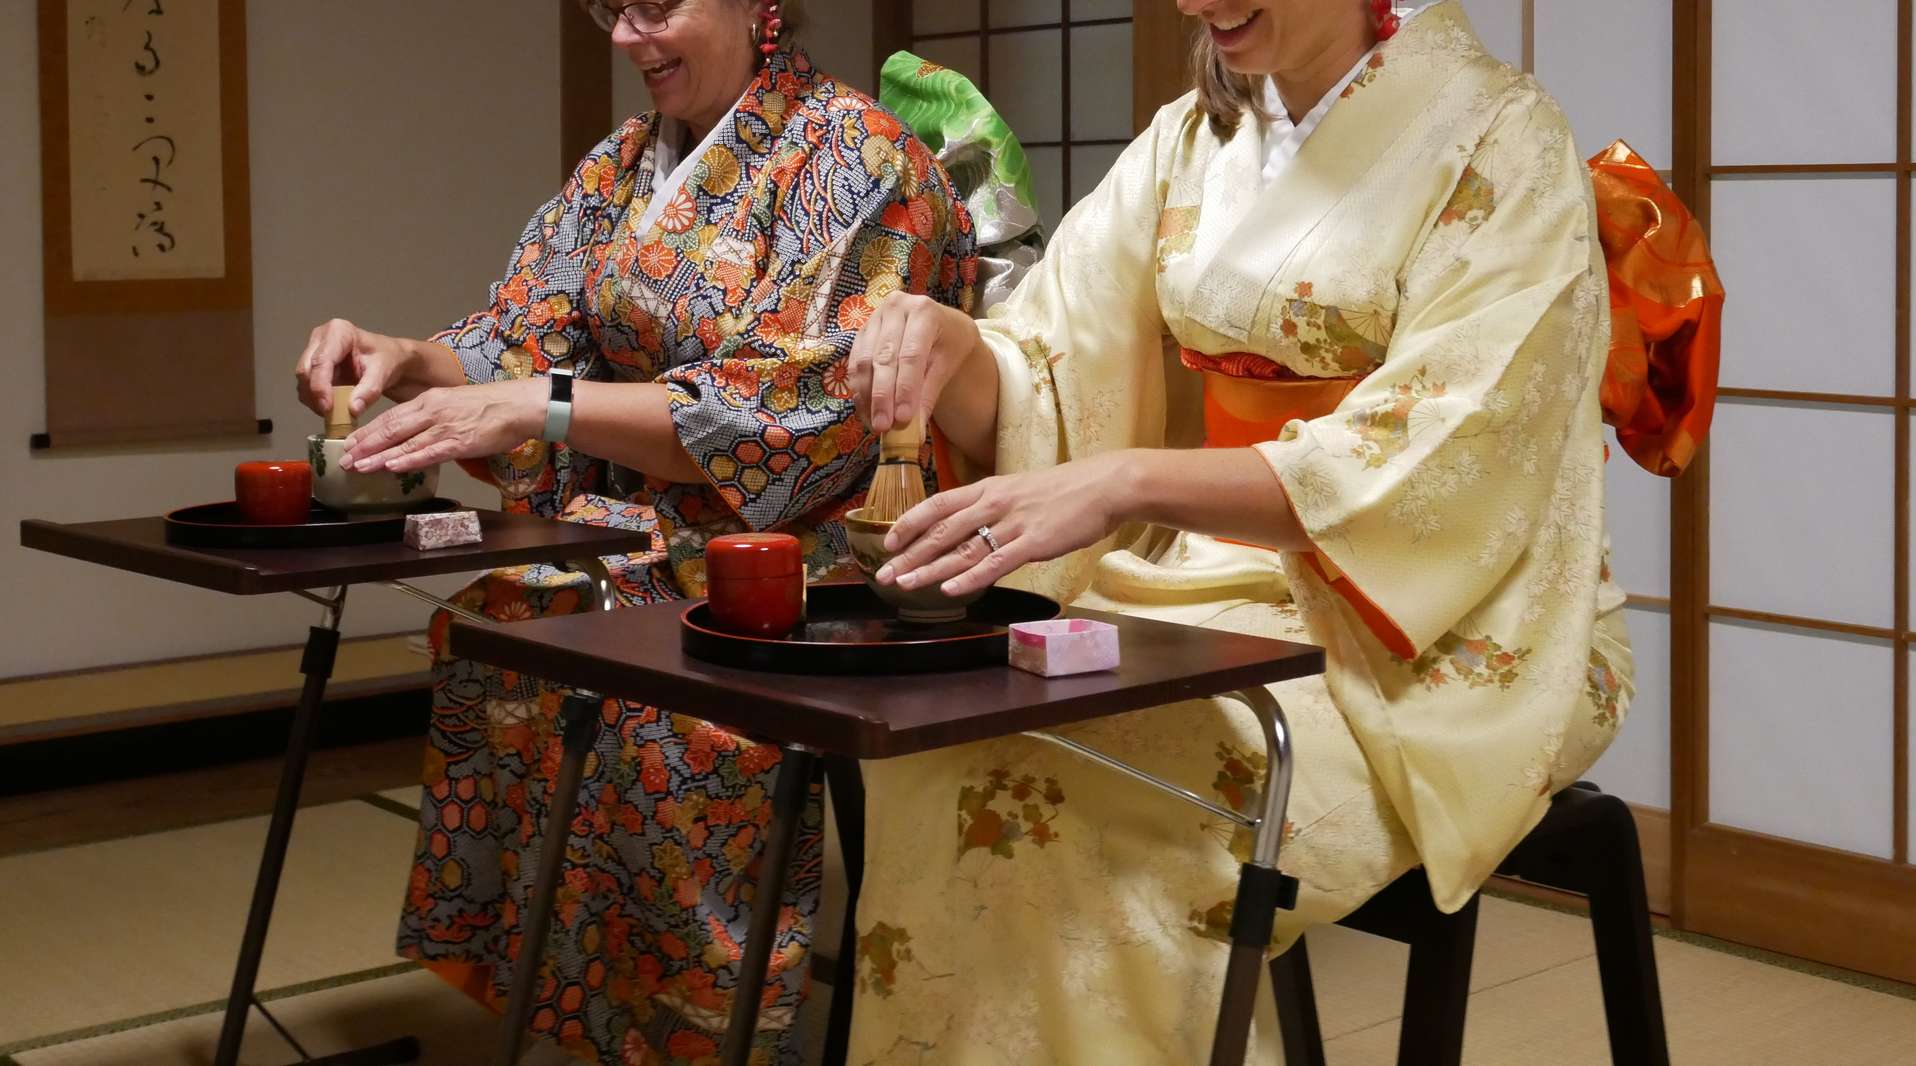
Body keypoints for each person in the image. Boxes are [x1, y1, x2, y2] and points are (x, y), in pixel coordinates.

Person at [844, 0, 1632, 1061]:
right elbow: (1054, 374)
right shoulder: (1187, 142)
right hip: (1196, 591)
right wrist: (956, 352)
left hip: (1441, 629)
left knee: (1072, 805)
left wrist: (1126, 482)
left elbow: (1443, 453)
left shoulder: (1500, 137)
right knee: (936, 755)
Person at [292, 1, 975, 1060]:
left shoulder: (860, 160)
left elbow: (791, 413)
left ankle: (705, 1028)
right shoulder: (622, 165)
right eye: (610, 8)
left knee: (649, 694)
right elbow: (525, 335)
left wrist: (546, 407)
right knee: (507, 628)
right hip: (635, 534)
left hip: (800, 553)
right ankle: (573, 1015)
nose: (624, 37)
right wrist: (405, 358)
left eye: (656, 4)